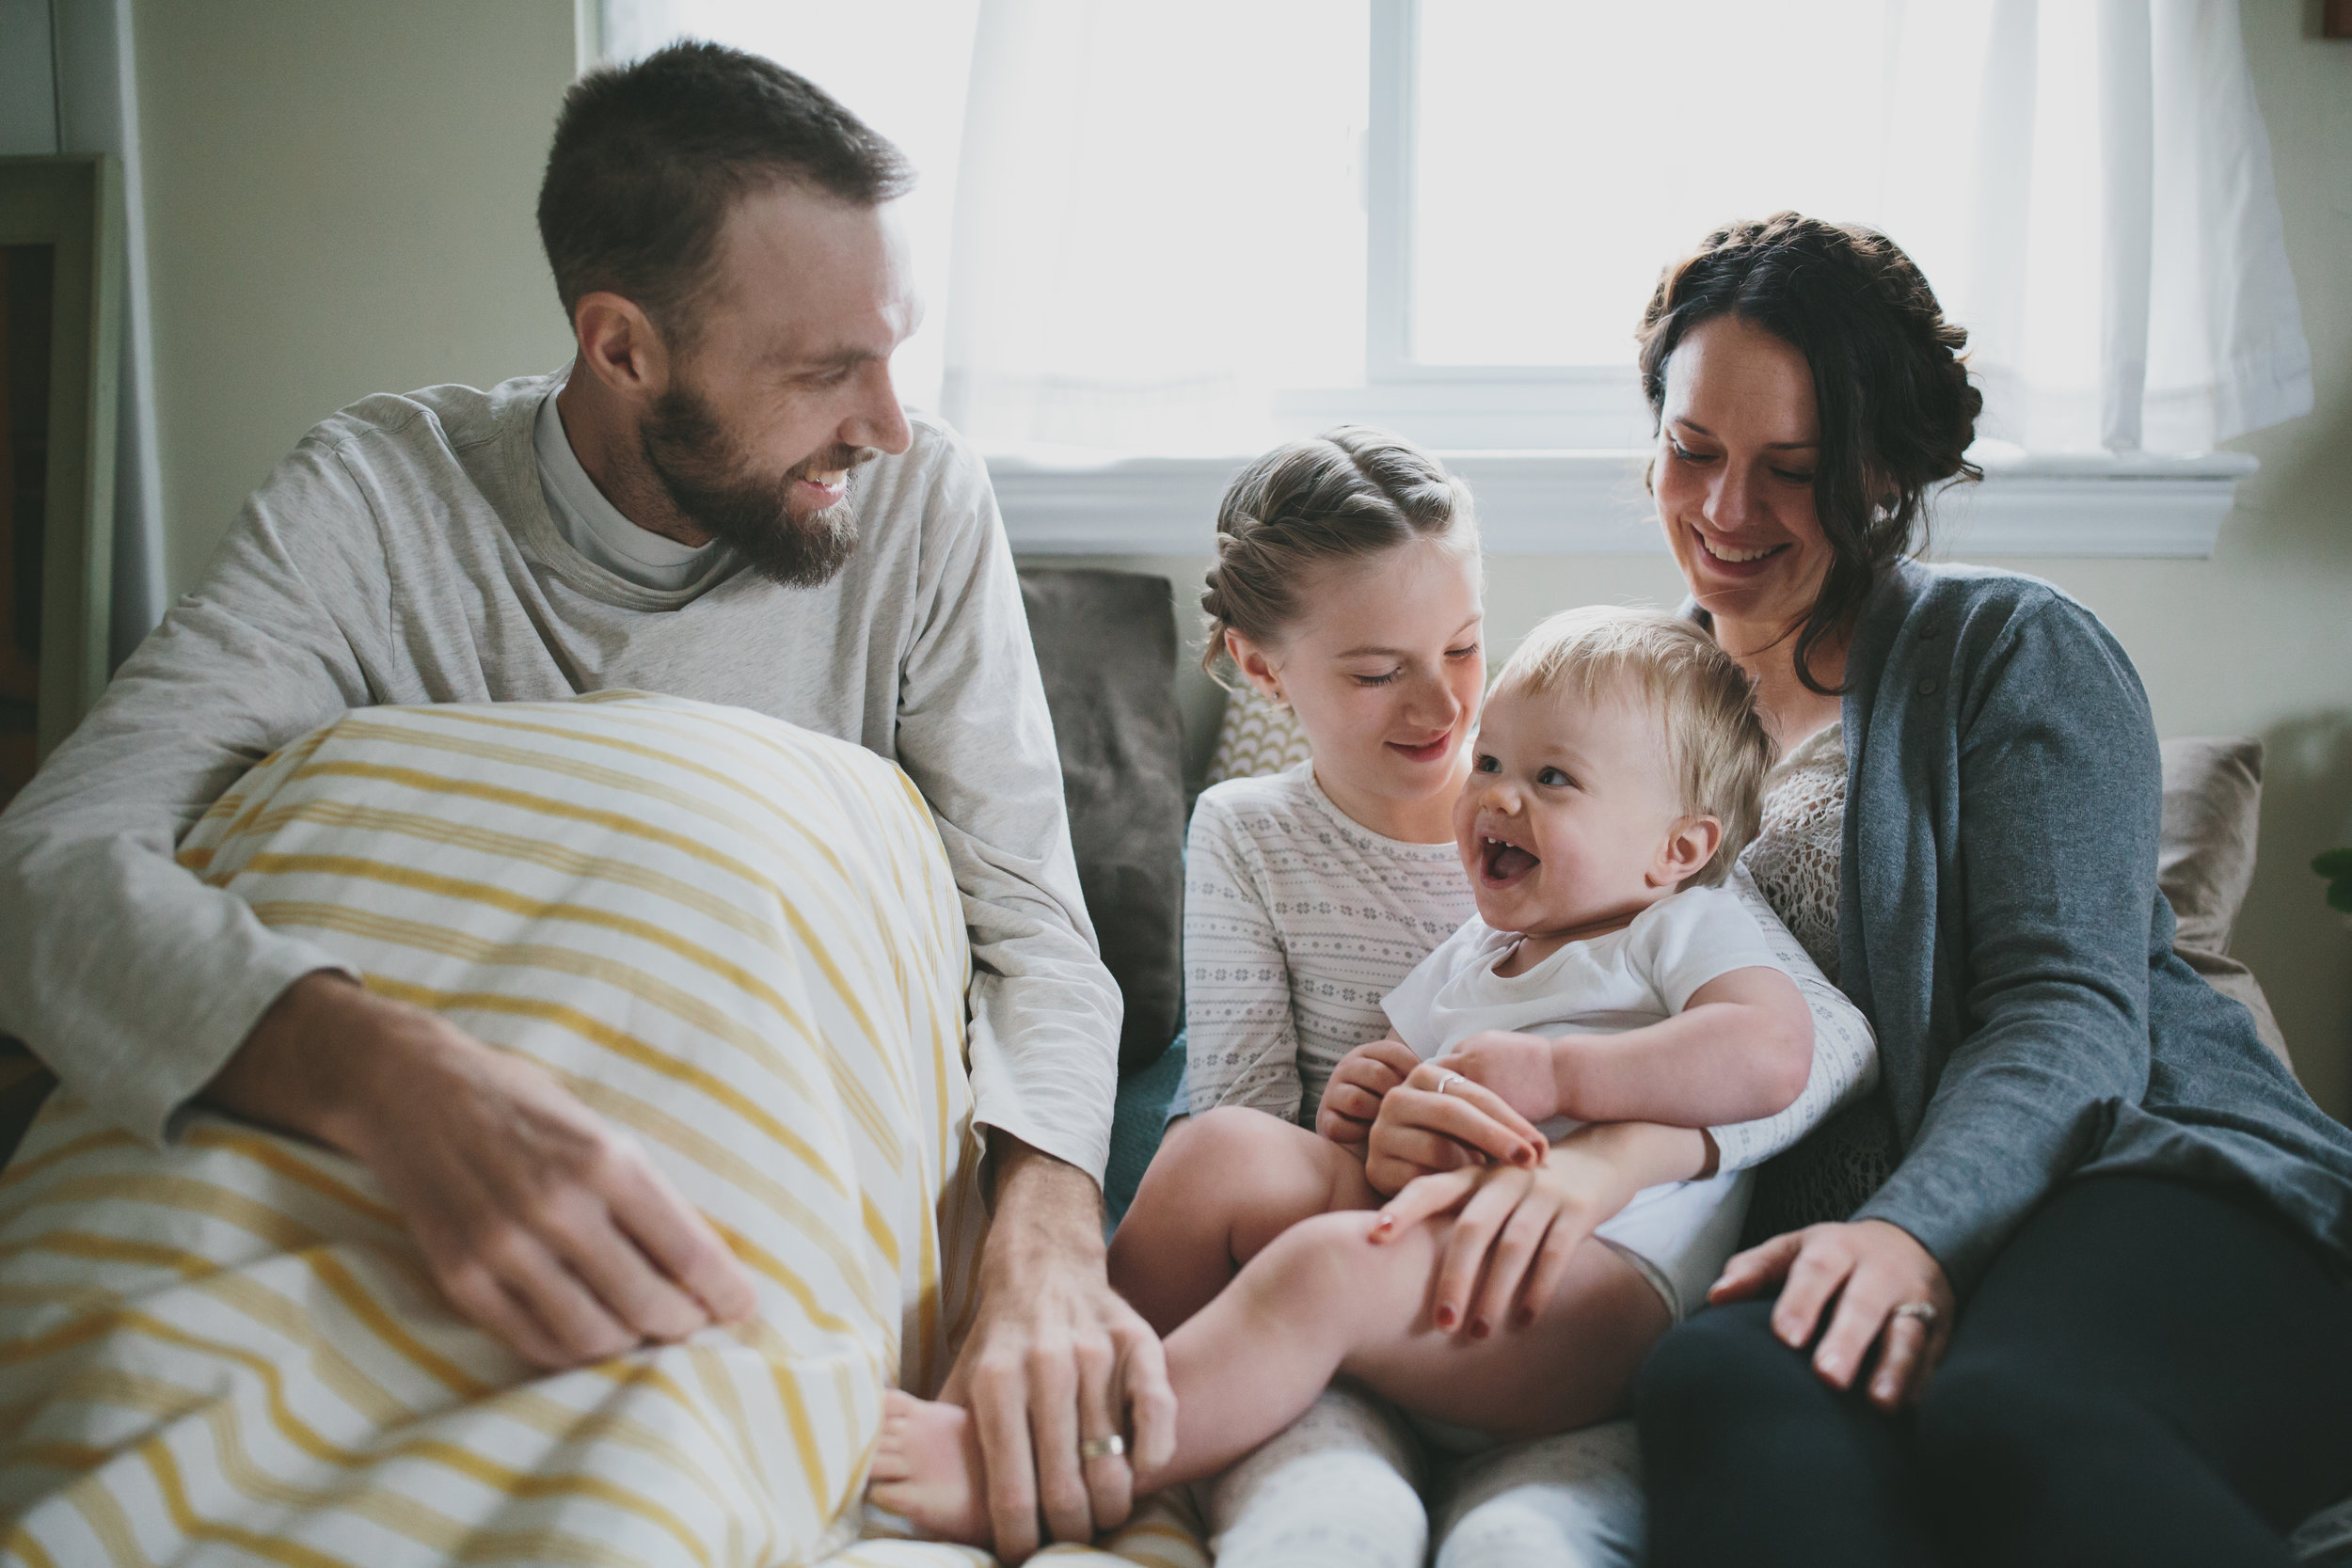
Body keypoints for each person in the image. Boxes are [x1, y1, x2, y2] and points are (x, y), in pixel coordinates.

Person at [0, 42, 1166, 1560]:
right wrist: (388, 1076)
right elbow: (46, 861)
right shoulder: (377, 500)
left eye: (898, 353)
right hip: (375, 1181)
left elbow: (1037, 935)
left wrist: (1048, 1251)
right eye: (825, 372)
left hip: (733, 1196)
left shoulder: (919, 509)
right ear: (621, 349)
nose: (886, 423)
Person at [1368, 213, 2352, 1567]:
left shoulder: (2011, 648)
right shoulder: (1621, 713)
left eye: (1793, 469)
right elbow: (1575, 1004)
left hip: (2141, 1175)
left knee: (2013, 1410)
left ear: (1885, 469)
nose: (1723, 511)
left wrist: (1913, 1233)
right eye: (1691, 450)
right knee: (1714, 1384)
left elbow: (2065, 1016)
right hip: (1816, 1239)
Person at [867, 604, 1871, 1549]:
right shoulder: (1479, 951)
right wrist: (1365, 1106)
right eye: (1491, 760)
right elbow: (1392, 1114)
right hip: (1442, 1268)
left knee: (1326, 1268)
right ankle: (1059, 1389)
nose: (1497, 794)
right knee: (1218, 1150)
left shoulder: (1682, 927)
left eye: (1554, 777)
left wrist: (1564, 1071)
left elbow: (1768, 1052)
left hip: (1587, 1296)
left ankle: (1083, 1466)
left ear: (1677, 848)